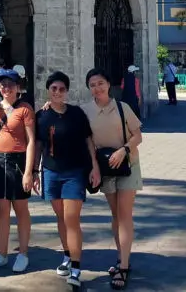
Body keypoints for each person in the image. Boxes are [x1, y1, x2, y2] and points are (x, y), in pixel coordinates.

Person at [34, 72, 100, 288]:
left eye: (62, 89)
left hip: (74, 172)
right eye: (54, 89)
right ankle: (67, 254)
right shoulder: (41, 115)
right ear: (48, 91)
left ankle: (76, 266)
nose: (58, 93)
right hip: (51, 172)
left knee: (72, 218)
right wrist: (34, 171)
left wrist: (95, 166)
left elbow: (89, 140)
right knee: (61, 217)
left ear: (67, 91)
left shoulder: (76, 114)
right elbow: (38, 145)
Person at [82, 68, 143, 290]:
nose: (97, 88)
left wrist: (123, 150)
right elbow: (88, 141)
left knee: (125, 213)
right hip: (105, 169)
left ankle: (124, 266)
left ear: (108, 84)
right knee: (115, 214)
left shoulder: (122, 107)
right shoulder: (85, 111)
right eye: (92, 85)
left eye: (100, 83)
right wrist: (94, 166)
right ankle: (121, 256)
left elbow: (138, 136)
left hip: (127, 165)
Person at [0, 69, 35, 273]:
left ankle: (23, 253)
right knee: (1, 210)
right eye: (2, 84)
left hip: (18, 162)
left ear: (18, 87)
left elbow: (30, 142)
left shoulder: (25, 109)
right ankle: (2, 253)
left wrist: (29, 171)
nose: (6, 88)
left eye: (10, 84)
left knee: (21, 209)